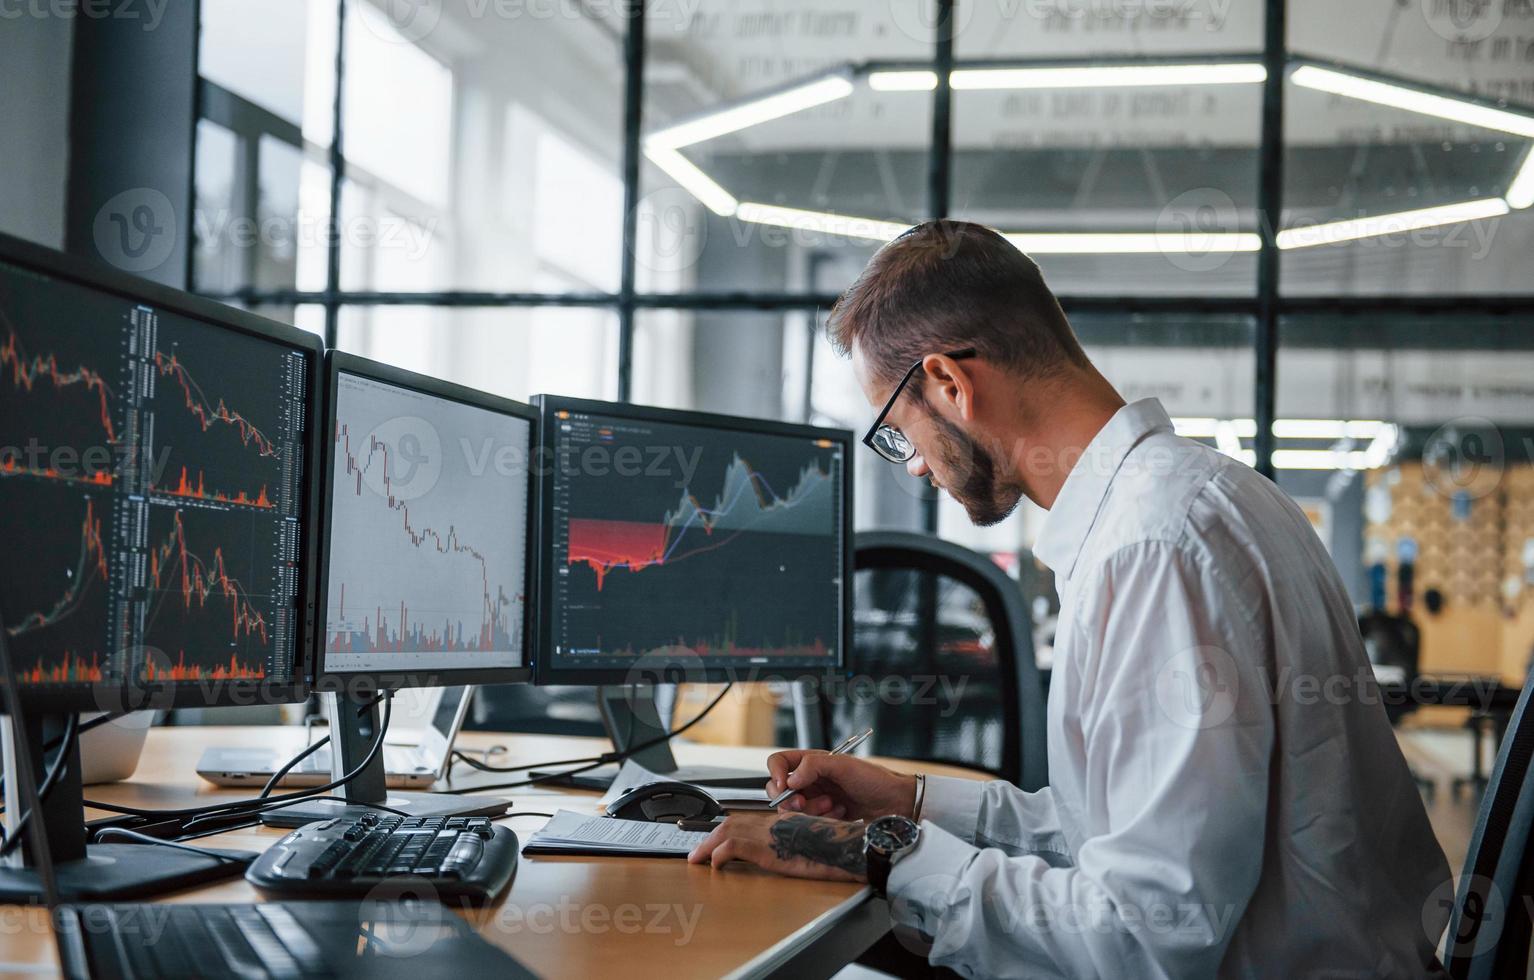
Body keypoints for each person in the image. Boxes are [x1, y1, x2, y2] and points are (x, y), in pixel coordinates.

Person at [688, 221, 1450, 978]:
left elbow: (1141, 938)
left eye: (897, 430)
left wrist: (878, 853)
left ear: (951, 384)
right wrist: (910, 802)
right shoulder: (1199, 499)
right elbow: (1114, 837)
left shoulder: (1153, 551)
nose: (913, 467)